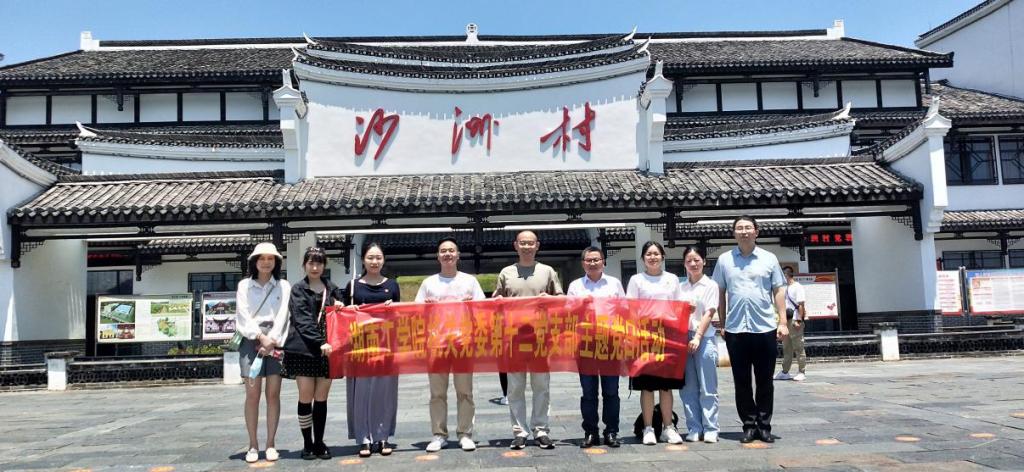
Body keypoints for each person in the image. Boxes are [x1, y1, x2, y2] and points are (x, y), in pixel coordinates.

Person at [712, 216, 788, 444]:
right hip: (736, 329)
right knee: (741, 381)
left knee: (765, 380)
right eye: (739, 228)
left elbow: (779, 291)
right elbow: (720, 292)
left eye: (748, 228)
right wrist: (722, 322)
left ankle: (764, 426)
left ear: (756, 231)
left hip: (764, 327)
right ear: (734, 233)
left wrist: (783, 321)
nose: (744, 232)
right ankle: (748, 425)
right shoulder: (725, 260)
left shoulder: (769, 258)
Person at [493, 230, 564, 450]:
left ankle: (541, 430)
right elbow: (495, 301)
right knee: (515, 388)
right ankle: (520, 432)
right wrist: (497, 300)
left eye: (530, 243)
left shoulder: (547, 271)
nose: (526, 246)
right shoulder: (506, 272)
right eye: (522, 243)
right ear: (516, 245)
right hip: (513, 339)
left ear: (537, 246)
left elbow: (561, 299)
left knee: (541, 387)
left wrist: (550, 298)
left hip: (541, 338)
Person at [416, 237, 486, 453]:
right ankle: (439, 434)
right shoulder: (429, 283)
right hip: (436, 345)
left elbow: (483, 310)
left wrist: (472, 306)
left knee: (465, 392)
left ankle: (465, 434)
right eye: (443, 251)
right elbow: (415, 313)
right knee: (437, 394)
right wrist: (425, 308)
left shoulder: (470, 281)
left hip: (463, 344)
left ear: (458, 255)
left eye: (451, 250)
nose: (447, 254)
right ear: (438, 256)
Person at [282, 246, 343, 460]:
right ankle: (307, 443)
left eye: (319, 263)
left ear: (324, 265)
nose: (315, 267)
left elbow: (342, 317)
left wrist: (341, 307)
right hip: (305, 350)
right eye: (311, 263)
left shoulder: (333, 289)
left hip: (328, 351)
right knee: (306, 397)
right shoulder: (298, 289)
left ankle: (320, 442)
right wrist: (320, 342)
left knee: (322, 398)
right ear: (304, 265)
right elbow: (302, 321)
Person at [343, 242, 402, 457]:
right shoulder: (353, 286)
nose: (374, 261)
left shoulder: (392, 285)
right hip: (360, 347)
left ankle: (382, 436)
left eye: (378, 257)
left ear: (383, 260)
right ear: (363, 260)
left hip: (386, 347)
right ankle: (364, 439)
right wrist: (348, 309)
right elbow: (342, 314)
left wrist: (394, 309)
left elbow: (400, 316)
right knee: (361, 394)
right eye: (370, 257)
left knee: (384, 394)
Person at [235, 242, 291, 463]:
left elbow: (284, 314)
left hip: (275, 343)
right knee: (252, 395)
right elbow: (243, 314)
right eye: (262, 258)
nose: (266, 262)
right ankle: (252, 445)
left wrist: (272, 340)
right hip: (251, 341)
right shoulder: (244, 286)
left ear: (276, 262)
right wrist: (260, 336)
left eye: (270, 258)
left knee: (273, 394)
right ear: (254, 261)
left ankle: (270, 443)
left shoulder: (283, 286)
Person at [626, 241, 685, 446]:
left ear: (663, 257)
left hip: (667, 338)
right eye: (649, 254)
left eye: (656, 254)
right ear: (643, 258)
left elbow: (678, 307)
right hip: (644, 338)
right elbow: (631, 309)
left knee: (666, 387)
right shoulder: (636, 280)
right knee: (647, 386)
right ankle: (648, 428)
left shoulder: (672, 279)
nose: (653, 257)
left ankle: (668, 427)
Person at [566, 246, 625, 448]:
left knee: (611, 391)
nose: (593, 263)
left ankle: (611, 431)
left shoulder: (614, 283)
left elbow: (624, 310)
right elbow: (568, 313)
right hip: (585, 344)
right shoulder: (575, 286)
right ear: (583, 263)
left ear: (603, 262)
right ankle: (590, 432)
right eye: (589, 260)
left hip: (610, 343)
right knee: (589, 392)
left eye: (596, 260)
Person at [678, 246, 721, 443]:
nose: (693, 264)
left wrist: (697, 336)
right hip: (683, 338)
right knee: (688, 387)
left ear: (704, 261)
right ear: (684, 264)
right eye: (689, 260)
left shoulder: (710, 285)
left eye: (696, 260)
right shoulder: (681, 288)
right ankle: (694, 427)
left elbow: (709, 313)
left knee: (707, 386)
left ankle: (711, 427)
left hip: (704, 337)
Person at [776, 266, 807, 382]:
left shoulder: (797, 287)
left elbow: (801, 304)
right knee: (787, 347)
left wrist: (799, 320)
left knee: (798, 347)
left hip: (795, 320)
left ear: (786, 275)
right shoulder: (785, 288)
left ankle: (801, 371)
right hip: (787, 320)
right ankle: (785, 371)